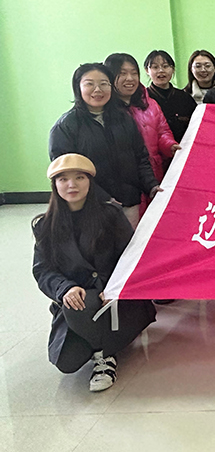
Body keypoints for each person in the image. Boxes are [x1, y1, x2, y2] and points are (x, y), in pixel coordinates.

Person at [32, 154, 156, 392]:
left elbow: (130, 257)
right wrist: (64, 288)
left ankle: (104, 358)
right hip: (78, 300)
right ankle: (102, 338)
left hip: (113, 298)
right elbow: (42, 269)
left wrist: (114, 287)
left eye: (79, 177)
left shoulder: (110, 215)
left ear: (90, 181)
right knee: (67, 362)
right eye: (63, 179)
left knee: (82, 310)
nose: (72, 185)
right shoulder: (45, 225)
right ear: (55, 185)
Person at [49, 63, 160, 229]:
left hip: (129, 201)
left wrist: (152, 185)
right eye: (89, 84)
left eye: (103, 84)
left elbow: (140, 156)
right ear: (78, 87)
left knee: (130, 243)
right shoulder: (66, 127)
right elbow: (65, 171)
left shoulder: (124, 119)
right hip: (91, 205)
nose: (98, 90)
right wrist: (104, 197)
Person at [105, 53, 179, 185]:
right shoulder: (104, 110)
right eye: (122, 74)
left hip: (154, 174)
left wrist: (170, 146)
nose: (130, 78)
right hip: (123, 181)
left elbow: (162, 132)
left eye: (134, 73)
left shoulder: (150, 104)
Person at [144, 50, 196, 143]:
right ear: (147, 70)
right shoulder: (143, 98)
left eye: (165, 66)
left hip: (183, 147)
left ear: (173, 69)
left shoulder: (185, 98)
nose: (161, 70)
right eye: (155, 67)